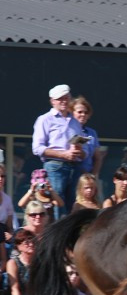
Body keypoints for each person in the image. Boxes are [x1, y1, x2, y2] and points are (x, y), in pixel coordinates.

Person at [32, 84, 84, 213]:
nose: (64, 101)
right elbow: (37, 148)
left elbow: (85, 150)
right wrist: (64, 155)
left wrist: (80, 151)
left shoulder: (75, 122)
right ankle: (58, 232)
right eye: (60, 98)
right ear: (52, 101)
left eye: (66, 98)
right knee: (57, 203)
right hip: (55, 167)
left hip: (74, 167)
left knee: (73, 203)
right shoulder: (45, 120)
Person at [69, 96, 104, 178]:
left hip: (86, 178)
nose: (83, 115)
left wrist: (92, 176)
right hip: (70, 175)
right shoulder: (68, 130)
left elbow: (98, 158)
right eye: (80, 112)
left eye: (86, 112)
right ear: (72, 113)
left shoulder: (91, 133)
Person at [6, 229, 35, 295]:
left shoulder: (39, 263)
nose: (31, 244)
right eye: (26, 242)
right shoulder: (13, 263)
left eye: (32, 240)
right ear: (18, 246)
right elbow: (15, 289)